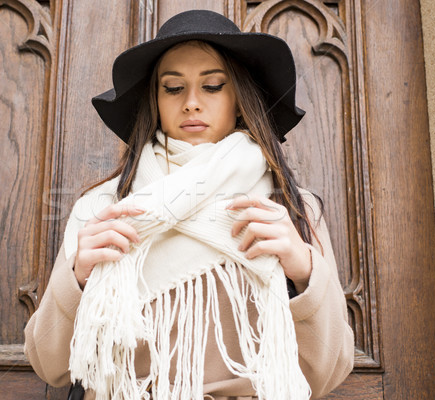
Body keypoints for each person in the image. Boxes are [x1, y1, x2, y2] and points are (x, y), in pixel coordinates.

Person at [24, 9, 354, 400]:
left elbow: (330, 371)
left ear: (239, 99)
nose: (192, 103)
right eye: (173, 88)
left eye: (213, 86)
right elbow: (50, 366)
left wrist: (304, 272)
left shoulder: (290, 212)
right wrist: (77, 278)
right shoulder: (104, 209)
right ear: (156, 101)